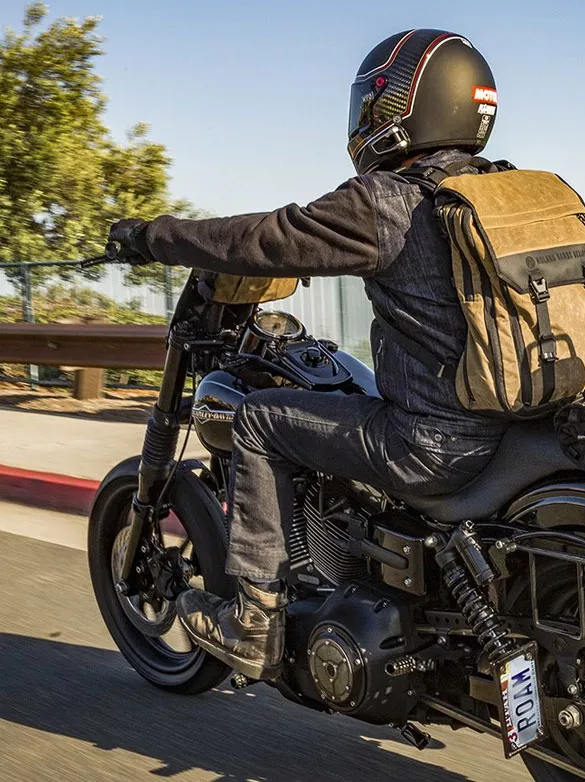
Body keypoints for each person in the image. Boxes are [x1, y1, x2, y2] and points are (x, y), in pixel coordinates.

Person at [108, 29, 510, 681]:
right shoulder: (516, 193)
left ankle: (253, 622)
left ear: (403, 109)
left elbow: (263, 239)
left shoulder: (391, 201)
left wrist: (153, 237)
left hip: (433, 443)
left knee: (259, 419)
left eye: (375, 106)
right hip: (524, 432)